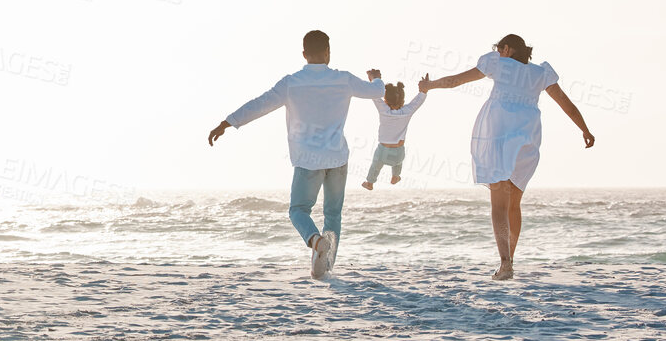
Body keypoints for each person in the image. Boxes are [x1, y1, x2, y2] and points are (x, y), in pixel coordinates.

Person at [208, 29, 385, 279]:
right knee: (333, 214)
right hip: (337, 158)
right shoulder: (343, 79)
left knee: (298, 210)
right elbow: (376, 92)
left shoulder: (291, 83)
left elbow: (260, 104)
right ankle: (326, 265)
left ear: (304, 54)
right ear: (328, 53)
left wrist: (228, 122)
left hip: (307, 160)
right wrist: (377, 78)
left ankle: (315, 241)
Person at [418, 33, 594, 280]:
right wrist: (584, 129)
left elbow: (456, 81)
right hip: (528, 138)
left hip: (499, 136)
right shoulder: (540, 73)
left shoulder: (498, 63)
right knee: (514, 204)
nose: (498, 52)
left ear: (507, 49)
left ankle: (505, 264)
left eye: (500, 49)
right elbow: (566, 103)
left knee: (499, 205)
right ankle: (509, 260)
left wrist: (429, 85)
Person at [362, 82, 426, 189]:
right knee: (398, 163)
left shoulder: (383, 110)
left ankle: (370, 183)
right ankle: (395, 176)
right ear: (403, 100)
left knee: (375, 165)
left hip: (383, 151)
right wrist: (424, 90)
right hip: (398, 153)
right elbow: (418, 101)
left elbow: (375, 96)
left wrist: (373, 80)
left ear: (385, 100)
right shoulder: (407, 111)